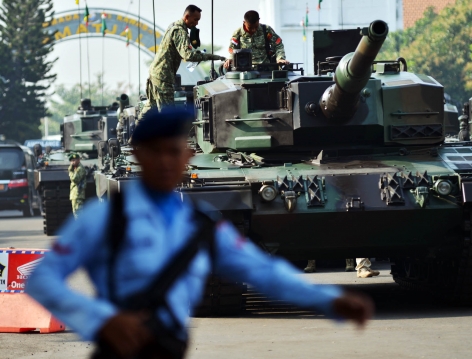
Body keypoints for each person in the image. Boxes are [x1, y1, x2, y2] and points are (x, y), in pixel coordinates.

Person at [26, 108, 373, 359]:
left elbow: (262, 271)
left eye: (173, 152)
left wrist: (329, 300)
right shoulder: (103, 218)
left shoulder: (201, 223)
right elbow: (42, 280)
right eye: (155, 152)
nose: (165, 162)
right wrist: (100, 321)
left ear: (188, 157)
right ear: (139, 155)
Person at [139, 4, 226, 120]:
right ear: (187, 17)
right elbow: (187, 55)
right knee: (168, 114)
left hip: (156, 74)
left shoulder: (174, 26)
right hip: (163, 77)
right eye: (195, 19)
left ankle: (135, 136)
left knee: (150, 109)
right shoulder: (180, 31)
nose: (196, 23)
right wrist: (213, 57)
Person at [224, 10, 289, 69]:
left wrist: (280, 58)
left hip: (265, 68)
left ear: (259, 20)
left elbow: (278, 44)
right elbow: (232, 49)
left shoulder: (266, 30)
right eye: (250, 27)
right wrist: (230, 59)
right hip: (246, 70)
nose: (253, 30)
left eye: (256, 26)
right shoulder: (238, 34)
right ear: (244, 22)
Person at [67, 153, 86, 218]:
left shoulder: (80, 168)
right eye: (72, 160)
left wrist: (70, 171)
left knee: (78, 214)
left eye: (74, 160)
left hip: (78, 195)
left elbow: (75, 179)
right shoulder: (75, 168)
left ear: (78, 160)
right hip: (75, 195)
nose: (73, 162)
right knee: (76, 213)